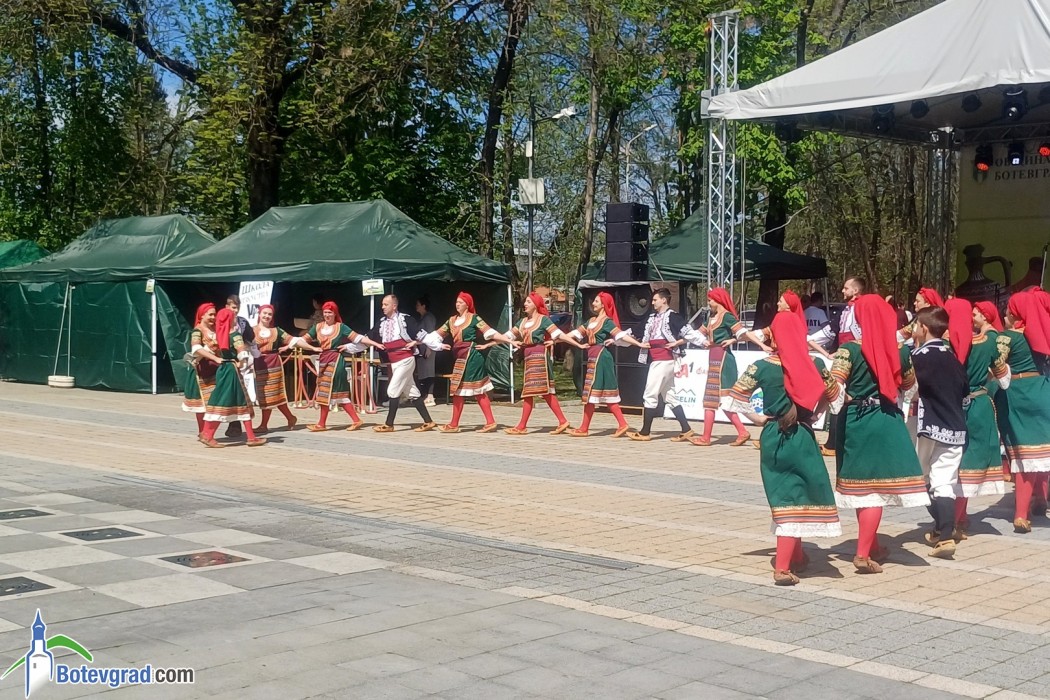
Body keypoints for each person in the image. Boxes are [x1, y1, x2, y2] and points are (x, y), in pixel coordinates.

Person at [723, 312, 841, 585]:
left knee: (785, 495)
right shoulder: (814, 363)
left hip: (773, 435)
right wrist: (816, 413)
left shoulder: (761, 366)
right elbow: (835, 397)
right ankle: (784, 566)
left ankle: (793, 558)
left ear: (775, 336)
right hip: (803, 435)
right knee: (799, 493)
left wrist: (759, 419)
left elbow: (734, 398)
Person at [828, 294, 930, 574]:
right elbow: (909, 386)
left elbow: (833, 385)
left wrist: (845, 397)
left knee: (864, 488)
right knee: (875, 490)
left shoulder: (849, 350)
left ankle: (867, 548)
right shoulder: (899, 351)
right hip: (886, 419)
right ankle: (866, 550)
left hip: (856, 420)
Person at [945, 300, 1009, 538]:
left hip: (949, 407)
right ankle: (959, 517)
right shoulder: (987, 343)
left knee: (950, 461)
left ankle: (953, 518)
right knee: (970, 460)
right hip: (979, 405)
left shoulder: (943, 345)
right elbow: (1004, 379)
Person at [910, 306, 968, 559]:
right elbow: (964, 392)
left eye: (916, 324)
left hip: (927, 424)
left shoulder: (917, 357)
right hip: (954, 426)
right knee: (944, 481)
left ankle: (944, 528)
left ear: (923, 328)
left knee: (919, 478)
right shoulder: (953, 358)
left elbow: (909, 389)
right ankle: (944, 534)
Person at [423, 292, 517, 433]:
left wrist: (509, 340)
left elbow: (490, 332)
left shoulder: (474, 318)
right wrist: (433, 344)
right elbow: (434, 336)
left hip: (472, 357)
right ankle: (459, 424)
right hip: (460, 357)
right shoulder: (451, 320)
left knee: (476, 389)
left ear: (467, 305)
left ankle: (481, 422)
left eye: (461, 302)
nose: (457, 304)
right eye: (457, 302)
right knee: (459, 390)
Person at [996, 291, 1050, 533]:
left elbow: (995, 364)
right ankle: (1040, 497)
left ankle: (1020, 514)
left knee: (1024, 454)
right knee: (1042, 449)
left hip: (1018, 392)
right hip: (1043, 390)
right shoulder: (1044, 332)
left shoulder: (1009, 337)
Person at [628, 288, 705, 442]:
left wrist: (703, 341)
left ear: (664, 300)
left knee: (650, 394)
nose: (652, 303)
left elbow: (688, 332)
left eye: (655, 299)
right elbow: (634, 331)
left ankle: (645, 432)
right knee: (670, 395)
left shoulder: (673, 317)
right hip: (661, 360)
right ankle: (686, 429)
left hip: (663, 360)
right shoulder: (652, 318)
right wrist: (618, 336)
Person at [565, 291, 645, 437]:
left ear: (603, 305)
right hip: (593, 357)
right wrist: (558, 338)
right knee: (594, 393)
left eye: (596, 301)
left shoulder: (607, 322)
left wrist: (639, 344)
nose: (593, 303)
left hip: (601, 357)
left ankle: (586, 428)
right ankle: (619, 424)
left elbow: (621, 335)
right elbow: (576, 333)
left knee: (593, 392)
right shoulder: (591, 321)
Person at [299, 301, 383, 432]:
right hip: (323, 360)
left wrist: (375, 344)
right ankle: (336, 422)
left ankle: (326, 423)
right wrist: (312, 348)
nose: (327, 315)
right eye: (325, 312)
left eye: (330, 312)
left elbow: (358, 338)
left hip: (336, 360)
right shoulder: (318, 327)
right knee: (325, 392)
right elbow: (302, 340)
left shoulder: (340, 327)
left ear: (335, 314)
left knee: (334, 391)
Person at [504, 293, 582, 435]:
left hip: (539, 355)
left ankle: (523, 426)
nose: (525, 304)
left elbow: (559, 334)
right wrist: (492, 343)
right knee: (532, 391)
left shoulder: (543, 320)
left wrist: (578, 345)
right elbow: (507, 335)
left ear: (535, 305)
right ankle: (561, 421)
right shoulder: (521, 322)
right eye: (525, 302)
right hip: (528, 357)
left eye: (528, 302)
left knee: (541, 391)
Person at [808, 276, 866, 457]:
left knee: (840, 396)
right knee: (836, 395)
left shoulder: (864, 309)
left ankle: (839, 442)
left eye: (846, 288)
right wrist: (822, 350)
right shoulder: (845, 311)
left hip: (860, 361)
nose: (842, 291)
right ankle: (833, 442)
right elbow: (826, 333)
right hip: (844, 361)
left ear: (855, 290)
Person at [366, 294, 438, 433]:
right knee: (412, 391)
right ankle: (428, 421)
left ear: (394, 306)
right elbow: (369, 336)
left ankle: (389, 424)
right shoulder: (382, 322)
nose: (383, 307)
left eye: (386, 304)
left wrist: (436, 345)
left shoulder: (405, 319)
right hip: (394, 361)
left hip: (406, 359)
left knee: (392, 390)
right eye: (382, 304)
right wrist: (352, 344)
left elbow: (422, 335)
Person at [690, 287, 751, 447]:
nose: (709, 303)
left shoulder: (727, 316)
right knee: (716, 399)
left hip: (724, 359)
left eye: (710, 300)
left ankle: (707, 437)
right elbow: (697, 334)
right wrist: (680, 340)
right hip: (714, 357)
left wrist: (733, 340)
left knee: (717, 398)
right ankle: (740, 432)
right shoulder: (712, 318)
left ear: (718, 300)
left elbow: (744, 333)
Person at [198, 308, 266, 448]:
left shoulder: (218, 335)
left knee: (230, 401)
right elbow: (242, 352)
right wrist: (243, 363)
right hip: (232, 370)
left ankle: (250, 437)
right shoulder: (235, 335)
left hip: (222, 369)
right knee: (232, 401)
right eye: (233, 317)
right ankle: (209, 435)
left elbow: (208, 349)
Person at [251, 304, 299, 433]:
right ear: (259, 314)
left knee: (274, 393)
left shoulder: (277, 331)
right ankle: (290, 417)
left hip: (274, 363)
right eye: (264, 313)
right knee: (265, 394)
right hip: (260, 363)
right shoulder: (252, 330)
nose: (267, 316)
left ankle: (264, 425)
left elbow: (292, 340)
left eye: (269, 314)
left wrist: (288, 347)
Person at [182, 303, 220, 436]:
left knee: (215, 402)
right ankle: (202, 431)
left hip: (215, 370)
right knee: (202, 404)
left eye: (214, 314)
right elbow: (196, 348)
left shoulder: (216, 329)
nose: (213, 317)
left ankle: (207, 432)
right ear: (202, 315)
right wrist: (215, 358)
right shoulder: (197, 331)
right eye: (210, 314)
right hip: (201, 370)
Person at [415, 296, 438, 406]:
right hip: (421, 350)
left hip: (428, 349)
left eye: (418, 304)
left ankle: (430, 395)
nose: (416, 306)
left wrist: (429, 348)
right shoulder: (422, 318)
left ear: (423, 306)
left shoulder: (429, 317)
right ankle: (425, 395)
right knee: (423, 372)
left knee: (429, 371)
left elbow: (431, 332)